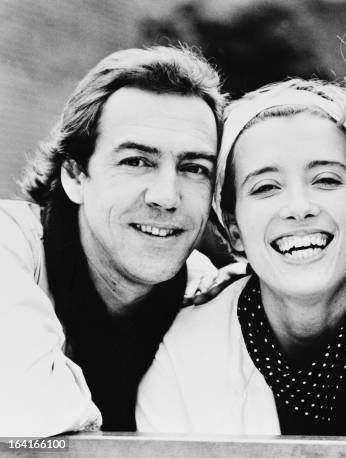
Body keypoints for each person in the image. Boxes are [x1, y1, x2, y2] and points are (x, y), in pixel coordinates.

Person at [135, 79, 346, 435]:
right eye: (265, 187)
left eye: (325, 180)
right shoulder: (180, 349)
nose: (299, 208)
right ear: (234, 230)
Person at [0, 45, 227, 436]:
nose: (166, 196)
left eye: (193, 168)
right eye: (136, 161)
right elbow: (28, 415)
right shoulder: (10, 245)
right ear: (74, 175)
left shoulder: (206, 294)